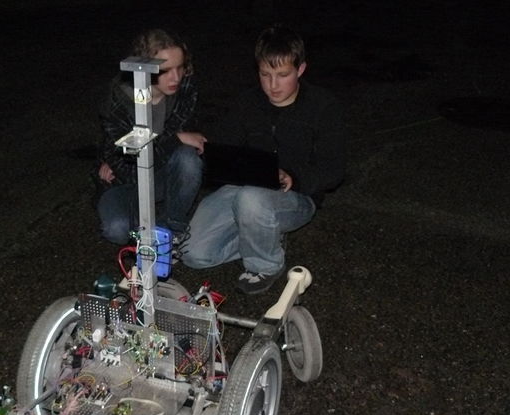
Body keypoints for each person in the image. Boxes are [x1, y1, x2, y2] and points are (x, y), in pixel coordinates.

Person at [182, 24, 345, 294]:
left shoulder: (322, 106)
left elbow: (334, 169)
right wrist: (207, 149)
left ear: (301, 69)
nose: (273, 85)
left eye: (283, 75)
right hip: (242, 188)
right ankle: (263, 236)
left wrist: (294, 177)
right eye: (265, 74)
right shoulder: (247, 102)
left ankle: (266, 264)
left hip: (296, 196)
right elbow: (224, 145)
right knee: (193, 254)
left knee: (252, 199)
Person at [94, 28, 207, 245]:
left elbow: (191, 147)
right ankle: (145, 232)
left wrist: (177, 142)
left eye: (180, 67)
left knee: (188, 159)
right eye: (165, 70)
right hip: (126, 182)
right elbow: (127, 169)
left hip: (164, 174)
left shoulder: (185, 88)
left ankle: (171, 231)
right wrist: (176, 139)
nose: (176, 77)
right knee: (117, 229)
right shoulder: (118, 99)